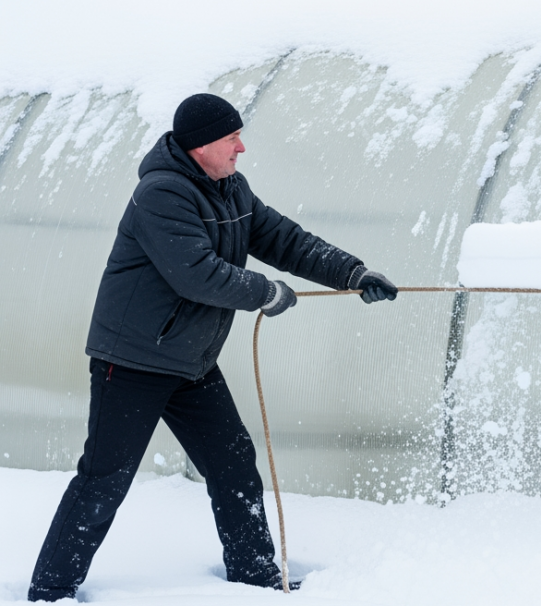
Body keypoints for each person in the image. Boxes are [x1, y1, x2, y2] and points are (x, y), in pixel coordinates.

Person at [28, 93, 400, 602]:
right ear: (202, 145)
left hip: (190, 362)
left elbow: (285, 240)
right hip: (132, 361)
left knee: (232, 463)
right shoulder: (161, 193)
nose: (241, 148)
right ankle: (50, 589)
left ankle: (254, 576)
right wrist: (264, 293)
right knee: (105, 478)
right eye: (232, 139)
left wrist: (353, 273)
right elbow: (195, 275)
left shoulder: (231, 190)